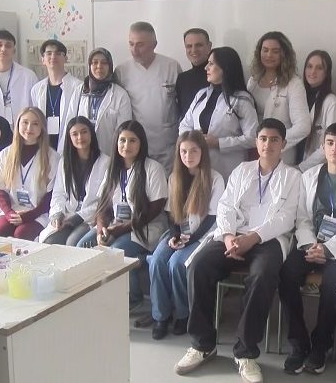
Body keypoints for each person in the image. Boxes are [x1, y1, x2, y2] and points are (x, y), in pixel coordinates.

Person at [174, 118, 301, 383]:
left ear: (284, 144)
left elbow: (287, 218)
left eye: (274, 140)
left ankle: (245, 352)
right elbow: (226, 206)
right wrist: (229, 236)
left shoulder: (293, 176)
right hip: (233, 234)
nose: (267, 144)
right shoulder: (242, 170)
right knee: (199, 266)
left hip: (268, 239)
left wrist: (252, 238)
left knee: (263, 275)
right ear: (256, 142)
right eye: (263, 138)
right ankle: (202, 344)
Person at [278, 122, 336, 375]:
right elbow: (302, 217)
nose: (335, 149)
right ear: (323, 146)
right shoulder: (308, 177)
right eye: (330, 143)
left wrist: (329, 249)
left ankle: (322, 343)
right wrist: (312, 244)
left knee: (333, 281)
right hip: (311, 241)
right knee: (286, 274)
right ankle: (299, 343)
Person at [78, 120, 169, 311]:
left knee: (117, 251)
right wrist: (102, 229)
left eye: (132, 141)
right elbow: (103, 206)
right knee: (82, 246)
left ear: (141, 143)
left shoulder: (153, 168)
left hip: (145, 227)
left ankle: (133, 299)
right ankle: (93, 297)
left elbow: (155, 209)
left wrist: (119, 230)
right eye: (122, 140)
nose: (126, 145)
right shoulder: (113, 168)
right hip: (115, 225)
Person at [148, 130, 225, 339]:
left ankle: (183, 315)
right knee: (157, 261)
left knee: (177, 264)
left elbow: (212, 218)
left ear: (203, 152)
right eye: (183, 151)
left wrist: (190, 239)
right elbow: (171, 213)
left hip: (202, 235)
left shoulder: (215, 179)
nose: (188, 156)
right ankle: (161, 316)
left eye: (193, 151)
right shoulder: (174, 178)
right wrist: (174, 235)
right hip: (179, 232)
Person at [179, 46, 258, 180]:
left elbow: (252, 138)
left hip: (229, 169)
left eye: (211, 64)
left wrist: (219, 143)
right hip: (199, 167)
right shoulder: (201, 95)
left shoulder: (242, 99)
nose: (206, 68)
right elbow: (184, 124)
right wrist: (193, 137)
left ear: (225, 68)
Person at [114, 22, 183, 172]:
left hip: (168, 145)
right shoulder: (121, 71)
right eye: (131, 44)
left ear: (154, 44)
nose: (134, 50)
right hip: (137, 146)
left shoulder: (171, 66)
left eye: (140, 45)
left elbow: (183, 105)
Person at [0, 107, 59, 240]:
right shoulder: (6, 154)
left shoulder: (52, 157)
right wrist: (9, 213)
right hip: (12, 210)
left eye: (35, 124)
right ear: (18, 124)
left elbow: (51, 195)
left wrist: (29, 215)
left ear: (42, 128)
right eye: (25, 122)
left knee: (21, 234)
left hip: (38, 213)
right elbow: (0, 189)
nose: (29, 128)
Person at [40, 117, 110, 245]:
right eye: (75, 134)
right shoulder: (64, 162)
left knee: (72, 242)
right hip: (68, 214)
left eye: (84, 132)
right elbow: (58, 193)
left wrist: (78, 217)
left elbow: (104, 201)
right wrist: (57, 214)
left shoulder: (106, 162)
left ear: (91, 133)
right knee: (51, 241)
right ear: (69, 138)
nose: (80, 137)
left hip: (90, 218)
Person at [246, 31, 312, 166]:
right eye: (265, 50)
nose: (269, 55)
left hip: (282, 154)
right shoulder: (253, 81)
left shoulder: (293, 84)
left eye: (275, 51)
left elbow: (303, 126)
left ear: (284, 54)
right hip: (254, 150)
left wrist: (275, 142)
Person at [66, 47, 131, 156]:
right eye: (95, 62)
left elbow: (123, 132)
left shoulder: (120, 95)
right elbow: (70, 122)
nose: (99, 66)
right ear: (89, 66)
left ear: (110, 66)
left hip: (108, 154)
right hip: (81, 154)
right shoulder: (79, 91)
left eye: (104, 63)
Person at [30, 39, 83, 151]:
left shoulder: (78, 87)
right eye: (49, 53)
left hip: (69, 146)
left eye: (58, 53)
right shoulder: (37, 89)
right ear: (43, 59)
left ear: (66, 59)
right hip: (44, 146)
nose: (53, 56)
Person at [297, 50, 336, 172]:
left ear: (326, 73)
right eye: (309, 66)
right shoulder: (299, 97)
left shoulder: (332, 103)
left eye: (319, 68)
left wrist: (302, 167)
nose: (313, 71)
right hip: (294, 163)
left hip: (315, 169)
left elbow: (331, 145)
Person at [176, 28, 213, 118]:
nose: (193, 50)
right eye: (189, 46)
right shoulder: (182, 79)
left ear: (209, 46)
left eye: (199, 45)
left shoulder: (219, 76)